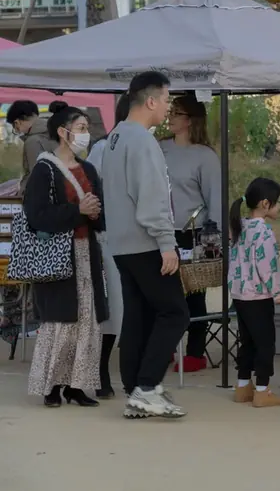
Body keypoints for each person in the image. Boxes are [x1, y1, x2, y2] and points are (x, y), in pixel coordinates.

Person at [102, 71, 188, 419]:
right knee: (175, 313)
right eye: (167, 100)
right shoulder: (141, 140)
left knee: (138, 315)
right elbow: (151, 197)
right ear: (150, 100)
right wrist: (167, 243)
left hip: (122, 243)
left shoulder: (116, 138)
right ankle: (147, 386)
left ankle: (136, 389)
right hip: (145, 242)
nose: (168, 107)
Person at [24, 105, 107, 408]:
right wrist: (78, 211)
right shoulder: (44, 169)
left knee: (87, 320)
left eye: (86, 128)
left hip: (86, 253)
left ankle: (76, 385)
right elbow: (36, 215)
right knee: (59, 322)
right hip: (58, 256)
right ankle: (51, 386)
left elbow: (99, 214)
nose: (86, 133)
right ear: (63, 131)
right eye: (81, 127)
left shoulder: (88, 170)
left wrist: (95, 213)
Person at [160, 93, 221, 374]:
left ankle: (195, 352)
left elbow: (215, 198)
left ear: (190, 120)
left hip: (193, 234)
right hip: (160, 232)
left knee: (194, 295)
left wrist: (213, 236)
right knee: (162, 295)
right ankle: (165, 348)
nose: (170, 117)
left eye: (177, 113)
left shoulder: (205, 156)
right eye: (170, 111)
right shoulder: (158, 149)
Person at [85, 93, 131, 399]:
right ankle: (100, 370)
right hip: (108, 238)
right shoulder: (103, 148)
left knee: (126, 308)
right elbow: (88, 189)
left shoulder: (147, 147)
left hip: (136, 237)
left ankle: (120, 371)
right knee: (112, 305)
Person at [228, 177, 280, 408]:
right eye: (277, 202)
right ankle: (263, 390)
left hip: (240, 295)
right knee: (265, 343)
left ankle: (243, 386)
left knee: (247, 341)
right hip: (259, 297)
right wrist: (278, 292)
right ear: (265, 204)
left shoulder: (239, 227)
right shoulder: (263, 232)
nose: (279, 207)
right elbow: (268, 266)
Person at [9, 99, 67, 195]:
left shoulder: (33, 141)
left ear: (17, 123)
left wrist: (20, 195)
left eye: (15, 128)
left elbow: (35, 178)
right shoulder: (57, 133)